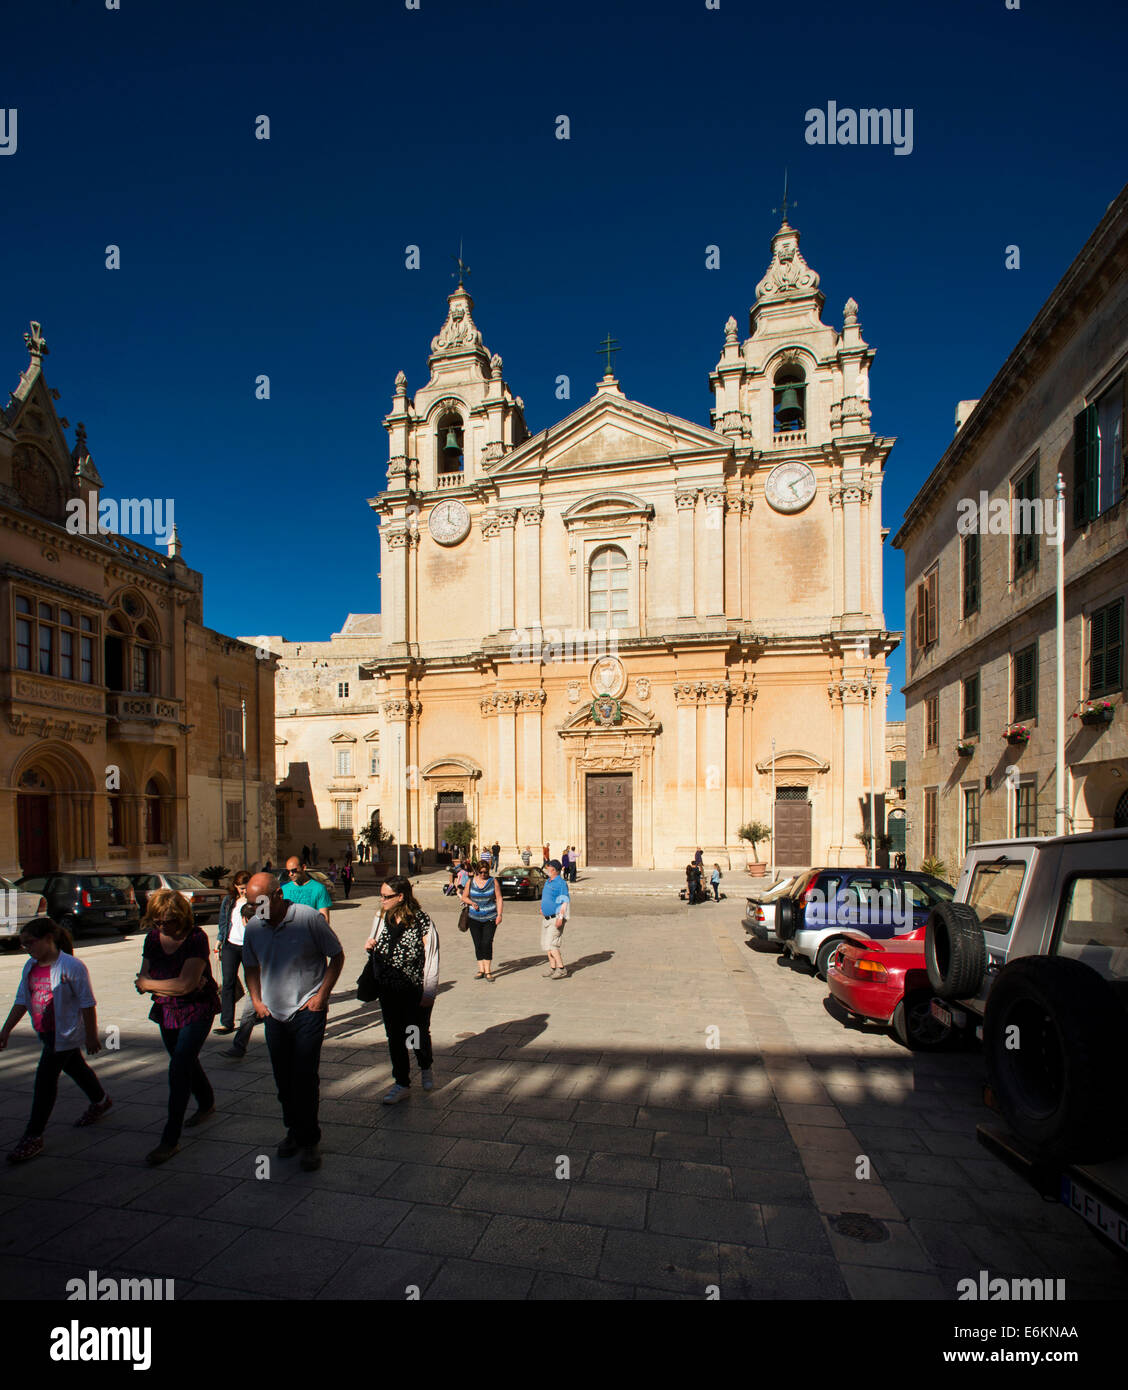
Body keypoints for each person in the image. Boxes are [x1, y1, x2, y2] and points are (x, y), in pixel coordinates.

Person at [242, 872, 344, 1172]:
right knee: (282, 1079)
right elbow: (250, 965)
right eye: (250, 904)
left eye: (259, 902)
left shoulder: (308, 918)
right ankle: (293, 1131)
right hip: (274, 1013)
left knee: (304, 1076)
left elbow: (336, 956)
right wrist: (257, 1001)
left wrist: (322, 996)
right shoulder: (254, 928)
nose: (255, 909)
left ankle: (310, 1140)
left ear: (277, 895)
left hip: (306, 1010)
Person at [0, 918, 111, 1163]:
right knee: (76, 1068)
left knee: (44, 1081)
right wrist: (5, 1030)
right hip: (44, 1030)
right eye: (23, 945)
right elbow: (21, 999)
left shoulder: (72, 966)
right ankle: (100, 1100)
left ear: (49, 938)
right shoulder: (30, 966)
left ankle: (33, 1136)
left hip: (65, 1033)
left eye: (30, 943)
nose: (27, 948)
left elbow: (87, 1003)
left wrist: (91, 1036)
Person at [134, 889, 220, 1166]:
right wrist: (159, 985)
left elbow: (184, 985)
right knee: (184, 1060)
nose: (162, 926)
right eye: (157, 921)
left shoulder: (195, 937)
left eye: (168, 921)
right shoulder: (152, 938)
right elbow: (142, 980)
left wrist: (153, 984)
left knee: (179, 1067)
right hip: (166, 1011)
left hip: (197, 1009)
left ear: (181, 916)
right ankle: (206, 1101)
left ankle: (170, 1139)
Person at [368, 875, 439, 1104]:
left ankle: (425, 1065)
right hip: (388, 988)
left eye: (386, 897)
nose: (382, 901)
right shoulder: (381, 917)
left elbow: (432, 957)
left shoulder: (422, 921)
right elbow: (374, 939)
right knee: (394, 1036)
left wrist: (429, 991)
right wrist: (370, 945)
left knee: (414, 1033)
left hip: (414, 988)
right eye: (381, 896)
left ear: (400, 897)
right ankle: (401, 1082)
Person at [218, 901, 267, 1060]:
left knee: (249, 1014)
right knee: (249, 1013)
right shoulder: (267, 928)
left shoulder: (254, 935)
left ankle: (239, 1047)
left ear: (244, 919)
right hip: (270, 982)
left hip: (268, 982)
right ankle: (239, 1047)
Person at [216, 871, 252, 1034]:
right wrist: (219, 943)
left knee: (253, 982)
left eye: (246, 888)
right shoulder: (229, 901)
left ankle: (256, 1012)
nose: (243, 891)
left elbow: (266, 923)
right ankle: (226, 1021)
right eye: (241, 888)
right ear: (235, 887)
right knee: (228, 982)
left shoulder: (259, 900)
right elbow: (223, 922)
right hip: (230, 945)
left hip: (250, 946)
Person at [461, 859, 503, 982]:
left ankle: (488, 971)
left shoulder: (493, 881)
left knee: (487, 942)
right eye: (481, 872)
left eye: (485, 872)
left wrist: (499, 914)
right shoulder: (471, 882)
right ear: (477, 871)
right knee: (478, 943)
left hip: (490, 917)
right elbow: (464, 896)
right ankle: (481, 970)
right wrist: (471, 902)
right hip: (474, 918)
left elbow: (499, 898)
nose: (483, 874)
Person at [540, 859, 570, 979]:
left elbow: (564, 901)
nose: (547, 869)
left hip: (556, 918)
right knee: (546, 945)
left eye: (548, 868)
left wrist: (560, 917)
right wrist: (542, 908)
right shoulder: (548, 881)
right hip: (546, 918)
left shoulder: (561, 883)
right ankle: (553, 967)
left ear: (553, 869)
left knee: (552, 944)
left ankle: (562, 969)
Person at [282, 856, 332, 923]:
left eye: (294, 870)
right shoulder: (284, 889)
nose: (290, 874)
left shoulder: (319, 889)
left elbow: (325, 920)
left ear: (303, 867)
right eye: (288, 871)